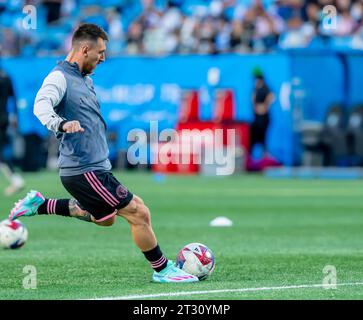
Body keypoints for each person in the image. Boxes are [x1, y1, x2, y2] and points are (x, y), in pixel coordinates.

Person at [8, 23, 198, 283]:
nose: (103, 57)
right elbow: (41, 105)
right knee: (139, 212)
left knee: (105, 219)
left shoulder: (84, 79)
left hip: (94, 168)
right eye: (101, 52)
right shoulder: (59, 77)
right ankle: (163, 270)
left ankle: (42, 205)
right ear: (84, 49)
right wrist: (61, 123)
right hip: (84, 170)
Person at [0, 63, 25, 196]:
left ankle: (16, 180)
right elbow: (14, 98)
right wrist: (15, 116)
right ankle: (16, 180)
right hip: (4, 118)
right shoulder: (5, 75)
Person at [249, 68, 274, 156]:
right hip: (257, 117)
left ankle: (264, 155)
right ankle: (251, 157)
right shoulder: (255, 88)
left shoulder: (265, 88)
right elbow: (253, 99)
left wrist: (264, 106)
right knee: (253, 136)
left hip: (263, 117)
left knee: (262, 137)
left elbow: (271, 96)